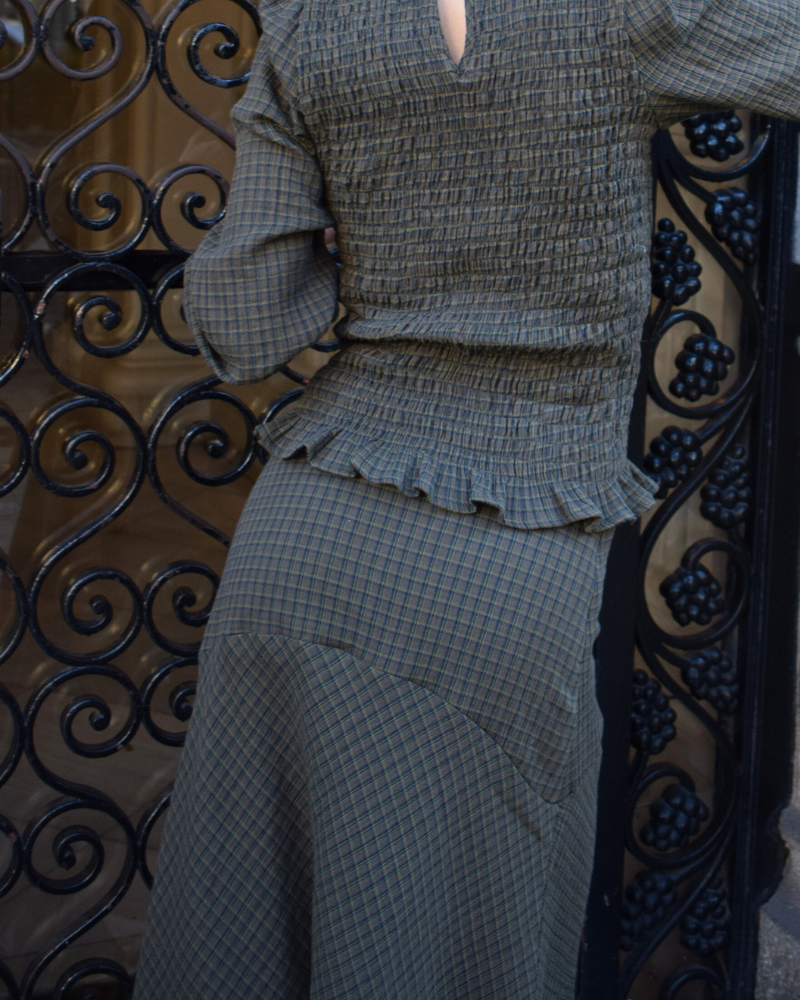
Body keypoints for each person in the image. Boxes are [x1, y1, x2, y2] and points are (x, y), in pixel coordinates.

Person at [133, 2, 800, 997]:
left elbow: (242, 322)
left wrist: (355, 228)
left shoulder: (309, 26)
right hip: (502, 569)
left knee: (249, 947)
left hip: (301, 550)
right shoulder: (622, 13)